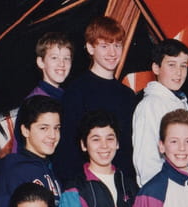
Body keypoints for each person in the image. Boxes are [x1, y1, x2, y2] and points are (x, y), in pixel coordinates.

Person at [54, 16, 136, 185]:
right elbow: (67, 148)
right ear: (91, 48)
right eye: (104, 46)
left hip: (122, 186)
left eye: (117, 45)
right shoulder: (77, 91)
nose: (112, 53)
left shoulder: (127, 95)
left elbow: (129, 148)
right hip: (87, 186)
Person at [59, 109, 138, 207]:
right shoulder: (74, 191)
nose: (104, 146)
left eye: (110, 138)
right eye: (96, 139)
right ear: (83, 145)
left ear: (117, 143)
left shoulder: (130, 186)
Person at [0, 95, 62, 207]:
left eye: (56, 128)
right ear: (25, 130)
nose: (52, 135)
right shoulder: (14, 172)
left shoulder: (48, 169)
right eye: (44, 128)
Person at [132, 39, 188, 186]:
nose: (179, 72)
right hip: (167, 193)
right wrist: (159, 195)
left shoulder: (180, 101)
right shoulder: (150, 105)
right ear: (156, 68)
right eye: (171, 65)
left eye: (183, 65)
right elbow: (147, 160)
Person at [11, 32, 73, 152]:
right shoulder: (34, 102)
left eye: (66, 58)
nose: (61, 64)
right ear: (41, 62)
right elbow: (18, 146)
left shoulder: (67, 97)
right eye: (54, 58)